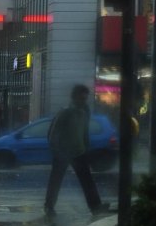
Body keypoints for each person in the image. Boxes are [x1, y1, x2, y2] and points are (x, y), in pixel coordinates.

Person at [44, 84, 110, 217]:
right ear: (74, 97)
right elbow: (53, 133)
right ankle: (49, 206)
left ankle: (95, 206)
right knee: (56, 181)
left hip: (79, 152)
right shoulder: (66, 112)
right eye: (81, 98)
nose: (83, 101)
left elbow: (84, 132)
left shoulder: (85, 112)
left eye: (85, 98)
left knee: (87, 180)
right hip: (63, 152)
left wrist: (86, 147)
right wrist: (57, 151)